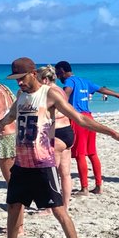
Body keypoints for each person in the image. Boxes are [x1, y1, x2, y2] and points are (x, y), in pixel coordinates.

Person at [0, 58, 119, 238]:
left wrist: (113, 133)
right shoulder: (21, 95)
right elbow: (12, 115)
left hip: (43, 163)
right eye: (15, 80)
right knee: (14, 205)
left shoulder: (50, 94)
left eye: (22, 78)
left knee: (59, 211)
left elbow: (80, 119)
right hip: (22, 162)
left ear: (33, 74)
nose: (19, 83)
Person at [54, 60, 119, 195]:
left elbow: (67, 93)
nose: (58, 77)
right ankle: (98, 186)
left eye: (58, 74)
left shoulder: (69, 81)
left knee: (80, 154)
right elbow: (101, 89)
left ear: (63, 72)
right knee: (92, 153)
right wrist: (117, 95)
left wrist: (59, 101)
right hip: (89, 118)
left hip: (77, 119)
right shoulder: (84, 81)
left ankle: (84, 188)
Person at [39, 65, 74, 209]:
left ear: (45, 79)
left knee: (52, 173)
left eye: (38, 79)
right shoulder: (61, 90)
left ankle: (52, 207)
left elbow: (42, 113)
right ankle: (65, 205)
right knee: (65, 174)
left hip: (57, 133)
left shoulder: (49, 92)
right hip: (68, 132)